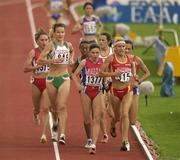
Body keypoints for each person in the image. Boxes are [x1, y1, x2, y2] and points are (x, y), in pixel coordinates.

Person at [37, 23, 74, 144]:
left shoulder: (68, 45)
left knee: (61, 105)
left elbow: (72, 51)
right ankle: (55, 124)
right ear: (54, 33)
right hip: (51, 79)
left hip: (64, 77)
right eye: (58, 32)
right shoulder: (50, 45)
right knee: (53, 108)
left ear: (64, 33)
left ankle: (62, 134)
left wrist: (71, 59)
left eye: (62, 32)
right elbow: (40, 60)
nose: (60, 34)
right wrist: (52, 60)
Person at [99, 39, 136, 151]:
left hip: (127, 90)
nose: (121, 49)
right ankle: (113, 124)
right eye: (119, 47)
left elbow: (133, 72)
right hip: (114, 91)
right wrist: (113, 74)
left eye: (123, 47)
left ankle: (125, 141)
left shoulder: (130, 58)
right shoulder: (111, 58)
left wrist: (134, 77)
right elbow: (100, 72)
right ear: (114, 48)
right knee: (117, 117)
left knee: (125, 114)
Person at [71, 44, 105, 154]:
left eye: (97, 53)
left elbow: (106, 75)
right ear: (89, 53)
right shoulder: (84, 62)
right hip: (86, 91)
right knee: (87, 119)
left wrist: (107, 79)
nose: (95, 55)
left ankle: (93, 144)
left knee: (96, 117)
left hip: (98, 91)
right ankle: (89, 138)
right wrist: (77, 85)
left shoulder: (103, 62)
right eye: (93, 53)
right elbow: (73, 74)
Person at [23, 28, 50, 143]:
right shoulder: (33, 52)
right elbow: (25, 68)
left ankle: (43, 134)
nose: (44, 42)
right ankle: (35, 114)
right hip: (36, 82)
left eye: (46, 40)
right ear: (37, 41)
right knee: (37, 108)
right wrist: (36, 67)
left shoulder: (51, 52)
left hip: (48, 82)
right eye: (42, 40)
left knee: (45, 108)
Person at [125, 40, 150, 125]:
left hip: (133, 89)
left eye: (129, 49)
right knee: (121, 116)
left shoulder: (136, 59)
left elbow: (147, 73)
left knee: (132, 121)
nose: (127, 51)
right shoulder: (116, 59)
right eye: (125, 48)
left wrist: (139, 81)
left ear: (132, 49)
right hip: (120, 89)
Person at [98, 32, 114, 143]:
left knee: (113, 114)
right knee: (101, 111)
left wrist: (110, 77)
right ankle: (104, 134)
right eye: (99, 40)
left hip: (113, 83)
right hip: (100, 84)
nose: (100, 42)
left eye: (103, 40)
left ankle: (113, 125)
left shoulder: (113, 52)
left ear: (108, 41)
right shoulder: (96, 52)